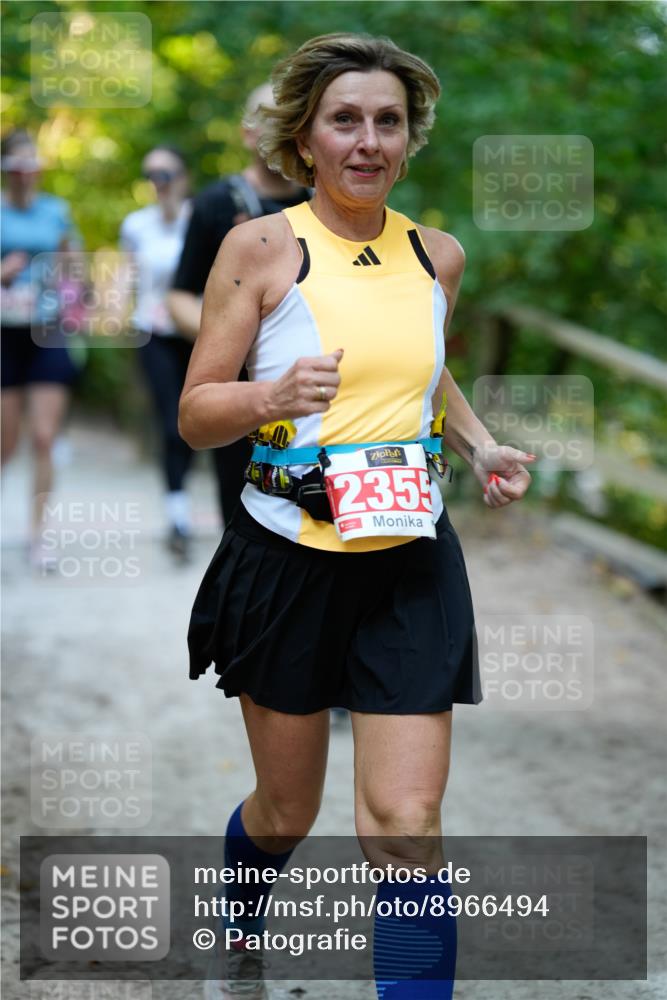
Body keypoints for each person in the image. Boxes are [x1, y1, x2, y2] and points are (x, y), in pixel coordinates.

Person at [179, 33, 535, 1000]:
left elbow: (420, 368)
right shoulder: (260, 248)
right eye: (345, 119)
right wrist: (273, 395)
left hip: (408, 561)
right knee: (286, 811)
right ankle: (240, 914)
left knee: (405, 822)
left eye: (387, 121)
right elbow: (196, 411)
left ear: (409, 138)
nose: (367, 140)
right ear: (306, 138)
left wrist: (476, 444)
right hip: (288, 555)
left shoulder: (436, 254)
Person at [168, 83, 310, 528]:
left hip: (315, 387)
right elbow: (178, 296)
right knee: (244, 507)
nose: (280, 126)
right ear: (248, 133)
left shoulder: (326, 200)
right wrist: (236, 340)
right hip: (240, 387)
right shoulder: (214, 204)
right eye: (269, 116)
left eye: (291, 116)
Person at [1, 128, 83, 569]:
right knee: (6, 443)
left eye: (31, 165)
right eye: (15, 166)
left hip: (48, 330)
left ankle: (38, 537)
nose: (24, 174)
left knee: (45, 437)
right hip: (4, 336)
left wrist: (73, 280)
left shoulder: (56, 212)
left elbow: (76, 266)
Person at [119, 145, 195, 560]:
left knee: (201, 424)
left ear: (182, 176)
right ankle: (177, 516)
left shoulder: (199, 219)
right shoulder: (136, 225)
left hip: (198, 333)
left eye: (166, 174)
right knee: (171, 423)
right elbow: (127, 280)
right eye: (152, 175)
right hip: (153, 331)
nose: (159, 182)